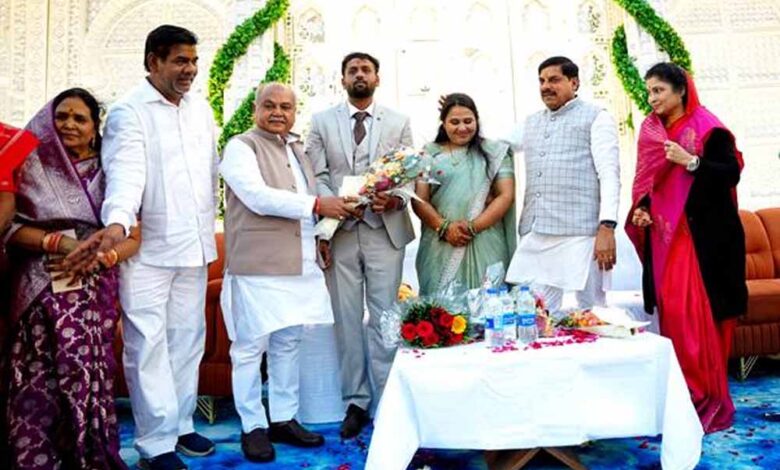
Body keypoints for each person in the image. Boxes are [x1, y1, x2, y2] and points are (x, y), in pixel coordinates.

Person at [77, 25, 219, 470]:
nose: (190, 70)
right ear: (152, 62)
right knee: (148, 345)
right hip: (148, 253)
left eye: (193, 61)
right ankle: (156, 444)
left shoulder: (200, 109)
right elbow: (125, 174)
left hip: (195, 247)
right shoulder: (129, 112)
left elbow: (211, 172)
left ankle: (181, 424)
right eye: (180, 61)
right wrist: (117, 223)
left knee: (188, 340)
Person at [3, 88, 140, 470]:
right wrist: (60, 244)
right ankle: (34, 458)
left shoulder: (114, 172)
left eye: (80, 118)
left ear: (95, 128)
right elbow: (9, 227)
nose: (68, 124)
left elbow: (135, 235)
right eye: (61, 116)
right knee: (37, 372)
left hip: (94, 283)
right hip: (39, 280)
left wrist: (97, 258)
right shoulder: (30, 165)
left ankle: (86, 454)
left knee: (84, 370)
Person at [219, 82, 356, 462]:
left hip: (300, 263)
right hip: (257, 264)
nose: (278, 113)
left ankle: (282, 417)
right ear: (255, 109)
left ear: (295, 113)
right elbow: (256, 196)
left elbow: (308, 206)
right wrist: (317, 205)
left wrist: (320, 237)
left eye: (286, 107)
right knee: (249, 347)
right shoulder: (240, 146)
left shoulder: (297, 149)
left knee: (288, 343)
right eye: (270, 105)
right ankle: (253, 426)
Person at [627, 62, 746, 433]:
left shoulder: (709, 129)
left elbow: (730, 173)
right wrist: (643, 209)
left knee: (698, 319)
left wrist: (691, 161)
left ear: (681, 90)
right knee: (675, 316)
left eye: (659, 90)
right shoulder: (652, 133)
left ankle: (704, 397)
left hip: (703, 242)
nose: (652, 98)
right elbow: (648, 184)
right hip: (665, 240)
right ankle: (682, 396)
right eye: (649, 91)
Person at [306, 51, 414, 438]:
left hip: (385, 231)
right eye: (352, 70)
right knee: (347, 318)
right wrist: (332, 205)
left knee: (386, 317)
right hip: (340, 232)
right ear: (342, 79)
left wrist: (396, 199)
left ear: (377, 78)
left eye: (366, 69)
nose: (359, 75)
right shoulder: (321, 122)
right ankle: (356, 400)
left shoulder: (399, 122)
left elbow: (409, 173)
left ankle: (387, 400)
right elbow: (315, 174)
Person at [505, 56, 620, 313]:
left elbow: (609, 174)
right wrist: (462, 117)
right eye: (542, 81)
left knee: (592, 313)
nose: (546, 86)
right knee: (538, 314)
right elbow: (495, 145)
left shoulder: (596, 117)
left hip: (583, 232)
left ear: (574, 82)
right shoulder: (531, 122)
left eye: (554, 80)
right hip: (538, 231)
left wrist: (607, 226)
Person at [413, 93, 515, 295]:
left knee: (488, 303)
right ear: (443, 124)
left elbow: (505, 195)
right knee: (440, 308)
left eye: (468, 121)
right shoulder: (429, 153)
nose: (462, 128)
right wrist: (444, 228)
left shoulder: (494, 152)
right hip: (439, 243)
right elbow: (419, 199)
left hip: (485, 239)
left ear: (477, 120)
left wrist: (472, 227)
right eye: (454, 122)